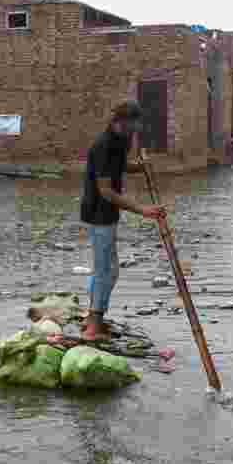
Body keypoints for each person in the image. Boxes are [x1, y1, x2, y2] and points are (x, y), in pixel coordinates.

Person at [79, 101, 166, 342]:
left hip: (110, 211)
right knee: (105, 269)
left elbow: (118, 166)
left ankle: (91, 317)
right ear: (120, 122)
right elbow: (106, 191)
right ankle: (93, 328)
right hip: (98, 211)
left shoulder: (123, 140)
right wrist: (143, 210)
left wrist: (138, 167)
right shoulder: (102, 146)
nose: (137, 129)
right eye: (133, 124)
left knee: (109, 269)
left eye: (138, 125)